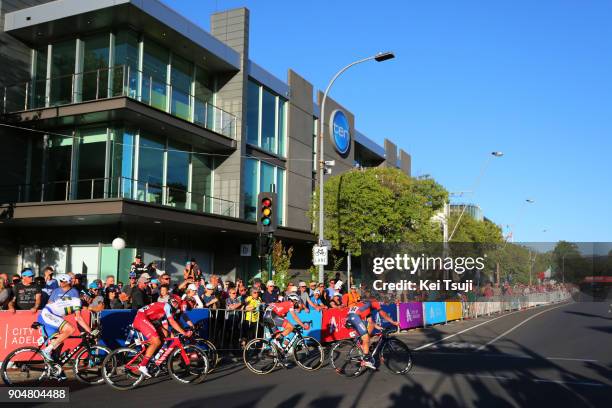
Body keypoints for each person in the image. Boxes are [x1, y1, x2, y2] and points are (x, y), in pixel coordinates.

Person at [37, 274, 95, 369]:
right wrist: (90, 331)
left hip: (48, 315)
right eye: (88, 299)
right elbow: (78, 318)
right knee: (70, 329)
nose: (89, 301)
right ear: (84, 298)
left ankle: (55, 369)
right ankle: (46, 350)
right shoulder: (77, 301)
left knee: (58, 342)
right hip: (49, 315)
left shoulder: (74, 296)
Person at [132, 295, 193, 378]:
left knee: (168, 336)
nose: (176, 305)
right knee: (156, 341)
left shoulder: (168, 308)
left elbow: (166, 324)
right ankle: (142, 365)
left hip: (149, 320)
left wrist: (175, 333)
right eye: (175, 303)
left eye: (177, 304)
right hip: (142, 318)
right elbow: (172, 322)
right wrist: (184, 333)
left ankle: (154, 358)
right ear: (171, 301)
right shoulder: (167, 306)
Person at [346, 296, 399, 370]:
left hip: (350, 316)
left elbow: (370, 322)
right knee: (366, 338)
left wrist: (379, 327)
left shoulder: (367, 304)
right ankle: (366, 359)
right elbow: (383, 313)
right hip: (354, 317)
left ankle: (363, 346)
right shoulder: (374, 302)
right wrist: (393, 322)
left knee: (368, 330)